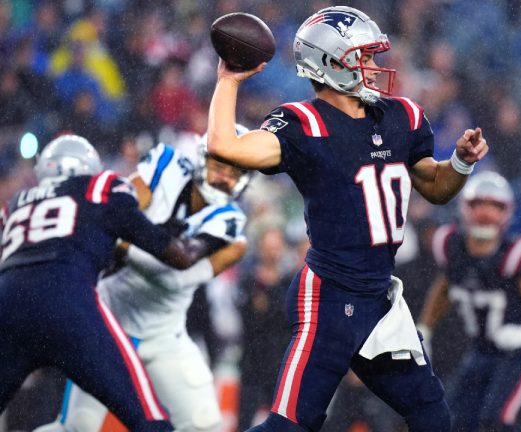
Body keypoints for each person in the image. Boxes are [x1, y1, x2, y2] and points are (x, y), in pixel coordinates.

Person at [206, 6, 488, 432]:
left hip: (379, 298)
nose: (375, 68)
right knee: (289, 426)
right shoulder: (303, 123)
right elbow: (226, 146)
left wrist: (461, 164)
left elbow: (433, 184)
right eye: (364, 57)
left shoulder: (401, 117)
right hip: (329, 298)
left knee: (433, 416)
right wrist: (228, 80)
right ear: (330, 63)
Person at [36, 132, 253, 432]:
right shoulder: (168, 168)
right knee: (78, 427)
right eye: (220, 166)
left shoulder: (232, 228)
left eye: (234, 172)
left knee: (204, 424)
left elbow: (176, 274)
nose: (223, 178)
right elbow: (122, 211)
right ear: (201, 158)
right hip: (109, 321)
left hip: (163, 333)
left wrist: (125, 247)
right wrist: (130, 242)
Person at [0, 135, 211, 432]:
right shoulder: (100, 187)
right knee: (148, 417)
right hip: (67, 299)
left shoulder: (15, 205)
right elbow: (174, 254)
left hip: (7, 303)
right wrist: (199, 243)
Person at [418, 170, 521, 432]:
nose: (485, 214)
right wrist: (425, 327)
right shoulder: (451, 246)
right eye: (478, 205)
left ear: (506, 212)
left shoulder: (514, 254)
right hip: (480, 350)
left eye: (495, 207)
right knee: (456, 421)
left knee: (497, 421)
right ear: (465, 208)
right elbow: (443, 289)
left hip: (517, 355)